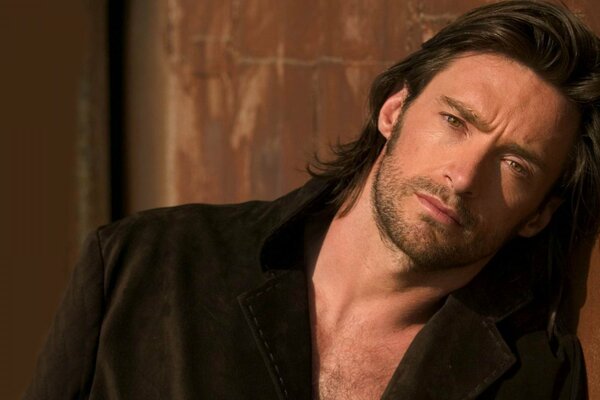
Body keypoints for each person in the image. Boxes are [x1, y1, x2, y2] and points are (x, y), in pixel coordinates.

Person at [25, 1, 600, 399]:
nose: (464, 176)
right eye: (455, 121)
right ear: (394, 111)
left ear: (538, 215)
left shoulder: (536, 379)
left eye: (515, 165)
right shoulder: (142, 263)